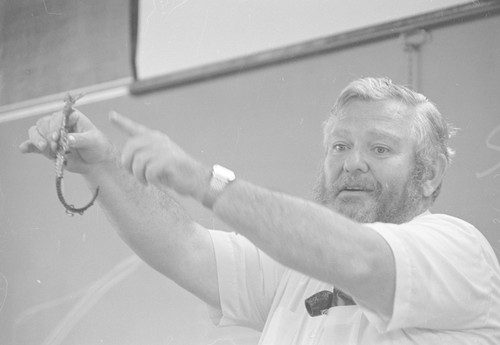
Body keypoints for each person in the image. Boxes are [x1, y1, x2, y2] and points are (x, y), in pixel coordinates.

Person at [20, 77, 500, 344]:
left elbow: (362, 260)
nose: (352, 163)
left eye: (379, 149)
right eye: (339, 145)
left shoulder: (459, 250)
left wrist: (204, 181)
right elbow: (185, 249)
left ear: (431, 173)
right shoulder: (296, 268)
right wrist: (103, 165)